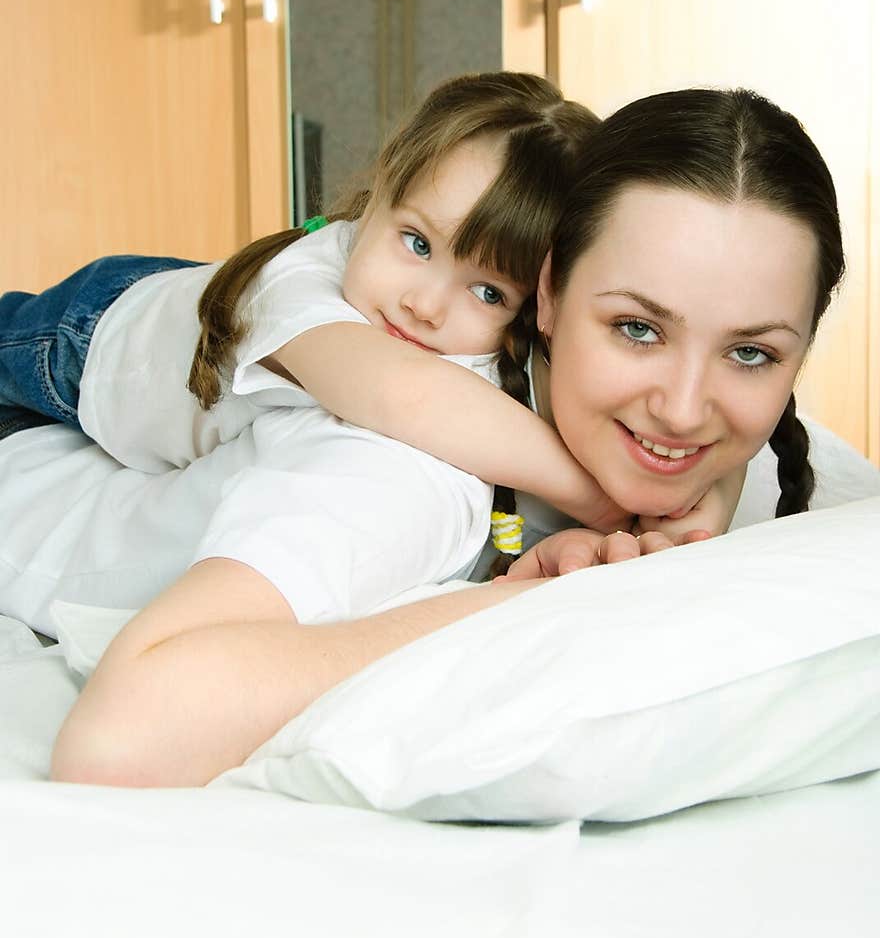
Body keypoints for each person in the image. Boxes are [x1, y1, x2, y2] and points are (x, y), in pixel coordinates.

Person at [44, 83, 849, 788]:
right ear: (547, 297)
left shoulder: (631, 411)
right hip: (79, 339)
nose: (681, 410)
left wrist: (697, 510)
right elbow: (118, 744)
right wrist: (526, 599)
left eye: (751, 352)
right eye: (637, 328)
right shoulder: (391, 441)